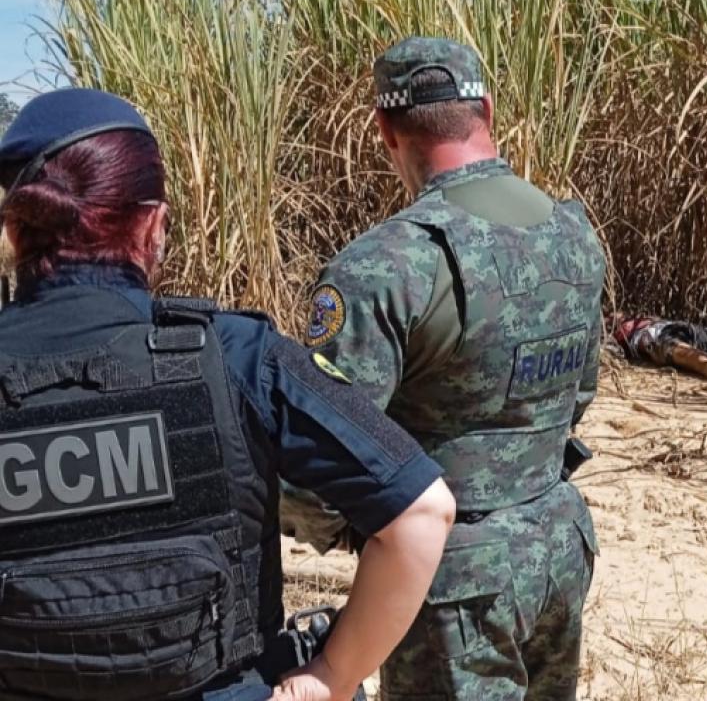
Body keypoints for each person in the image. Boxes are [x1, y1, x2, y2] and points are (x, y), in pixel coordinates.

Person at [0, 88, 456, 701]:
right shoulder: (237, 355)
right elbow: (422, 514)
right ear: (152, 223)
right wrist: (333, 675)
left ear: (17, 229)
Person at [282, 37, 607, 700]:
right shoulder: (573, 232)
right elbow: (581, 394)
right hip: (560, 543)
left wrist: (349, 533)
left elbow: (319, 472)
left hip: (452, 580)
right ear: (486, 110)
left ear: (385, 130)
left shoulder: (384, 266)